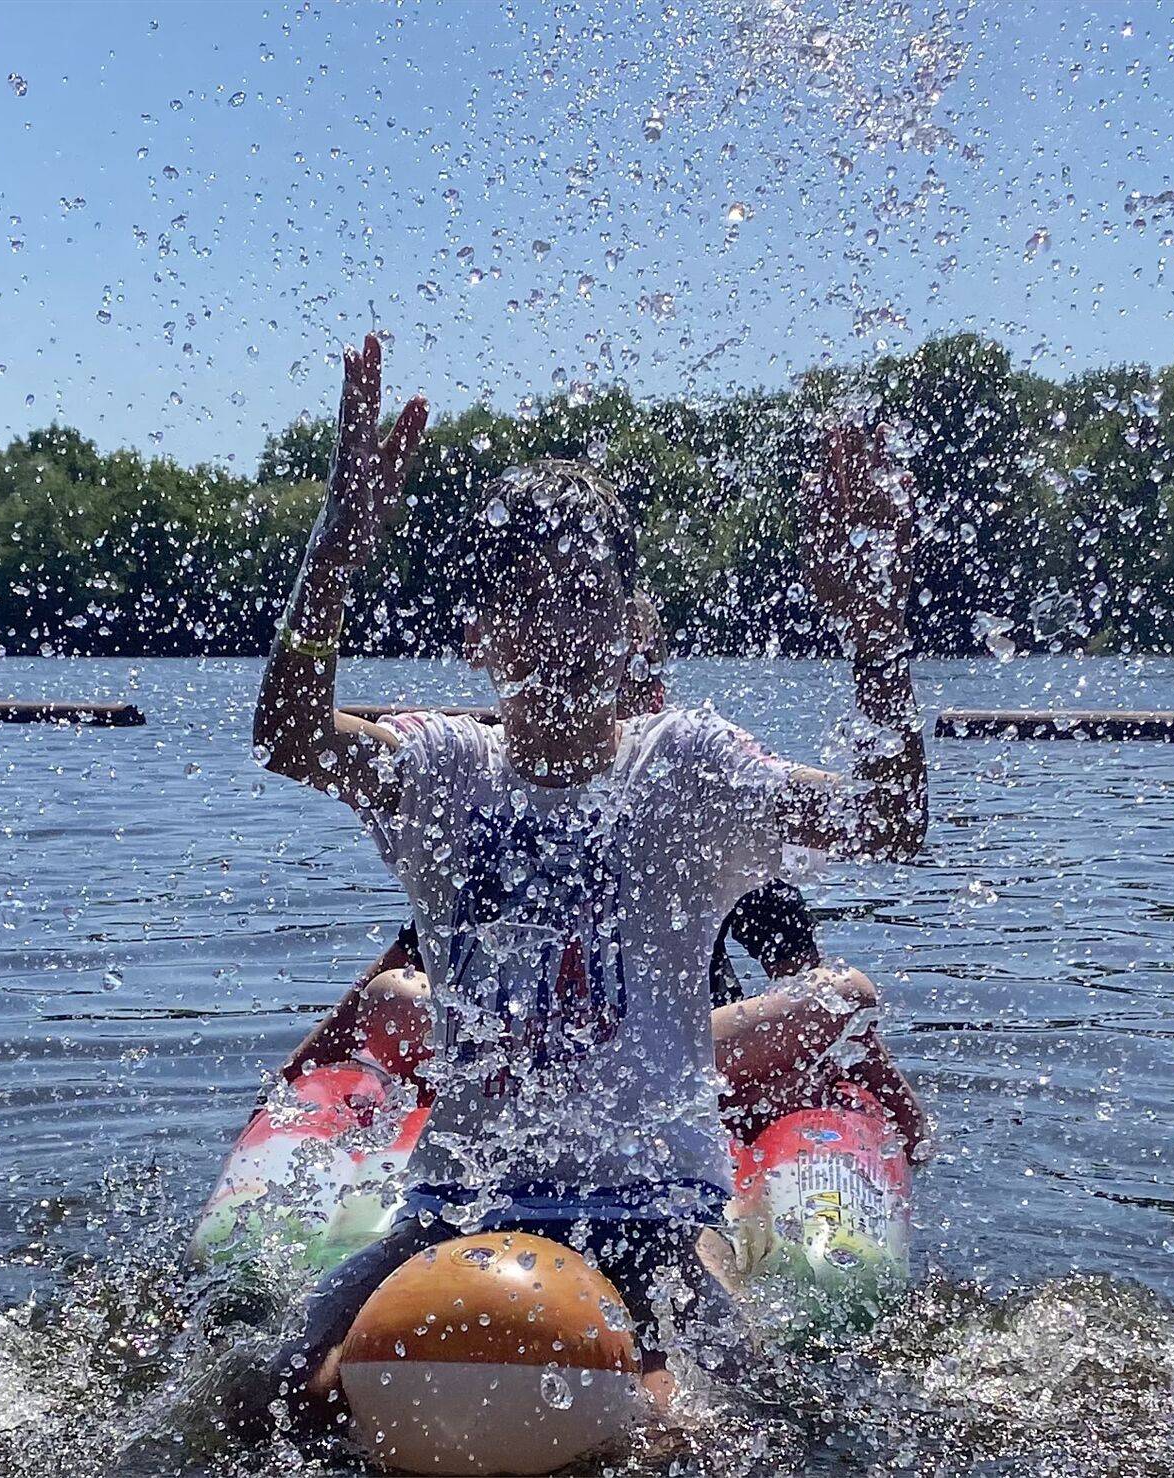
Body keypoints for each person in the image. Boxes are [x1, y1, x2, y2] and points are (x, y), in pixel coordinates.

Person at [246, 334, 927, 1425]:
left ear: (634, 625)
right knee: (275, 1399)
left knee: (698, 1430)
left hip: (655, 1212)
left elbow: (888, 820)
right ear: (479, 634)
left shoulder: (689, 771)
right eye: (528, 597)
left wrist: (875, 622)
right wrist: (336, 546)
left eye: (587, 596)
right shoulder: (442, 771)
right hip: (457, 1204)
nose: (561, 625)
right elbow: (288, 734)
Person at [275, 589, 925, 1155]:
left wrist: (889, 1109)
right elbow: (396, 962)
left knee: (844, 993)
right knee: (389, 996)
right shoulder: (497, 812)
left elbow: (807, 982)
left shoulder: (696, 806)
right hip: (520, 1047)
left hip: (680, 1055)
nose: (624, 698)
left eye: (639, 678)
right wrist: (291, 1086)